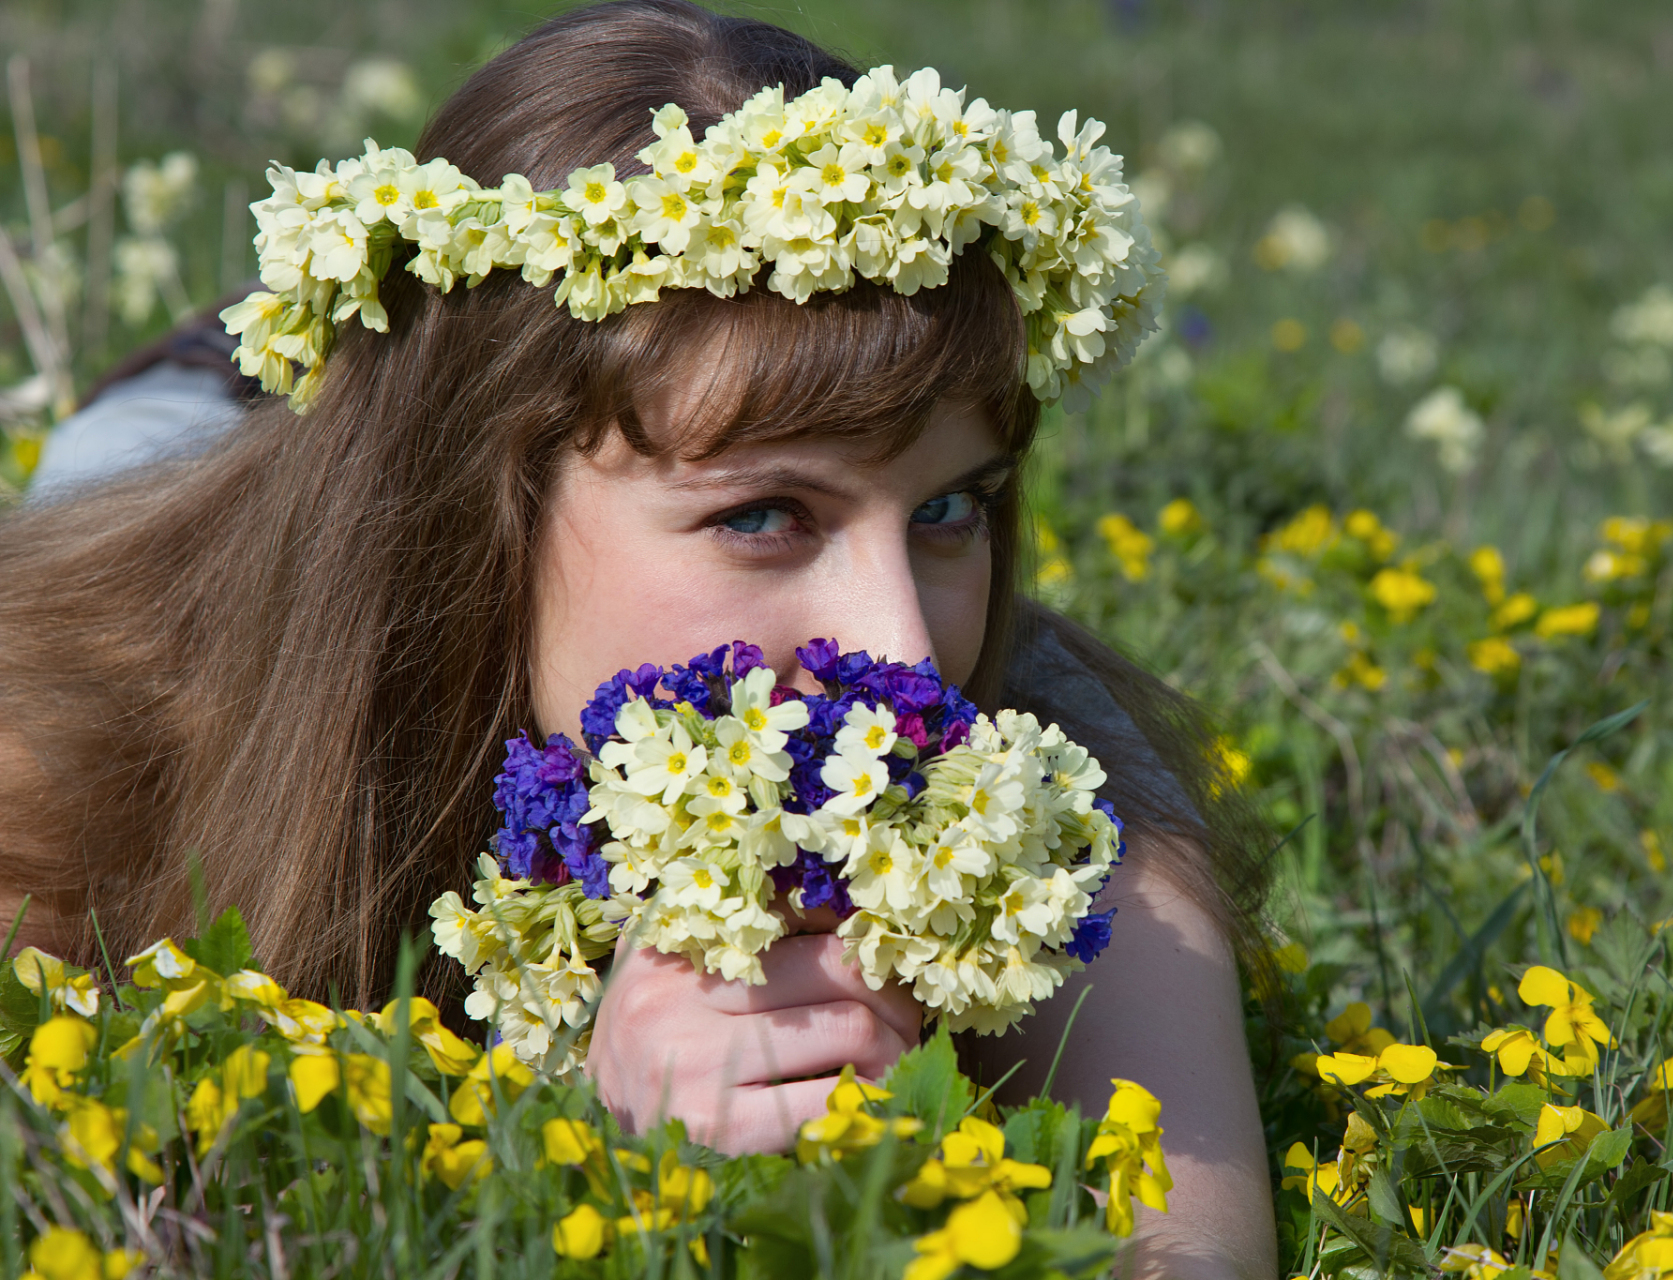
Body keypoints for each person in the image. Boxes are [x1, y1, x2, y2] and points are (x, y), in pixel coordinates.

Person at [0, 3, 1277, 1275]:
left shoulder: (1030, 785)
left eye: (952, 507)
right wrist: (592, 1155)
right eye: (764, 513)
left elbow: (1186, 1253)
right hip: (193, 467)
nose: (903, 648)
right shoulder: (59, 750)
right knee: (147, 447)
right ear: (477, 515)